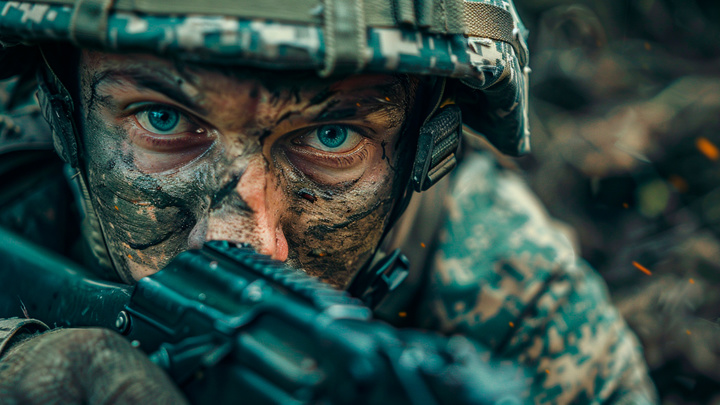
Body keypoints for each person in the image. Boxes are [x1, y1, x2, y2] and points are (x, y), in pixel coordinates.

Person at [0, 0, 657, 403]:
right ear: (61, 111)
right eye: (165, 121)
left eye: (329, 136)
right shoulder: (15, 158)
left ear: (421, 155)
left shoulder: (517, 304)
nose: (243, 238)